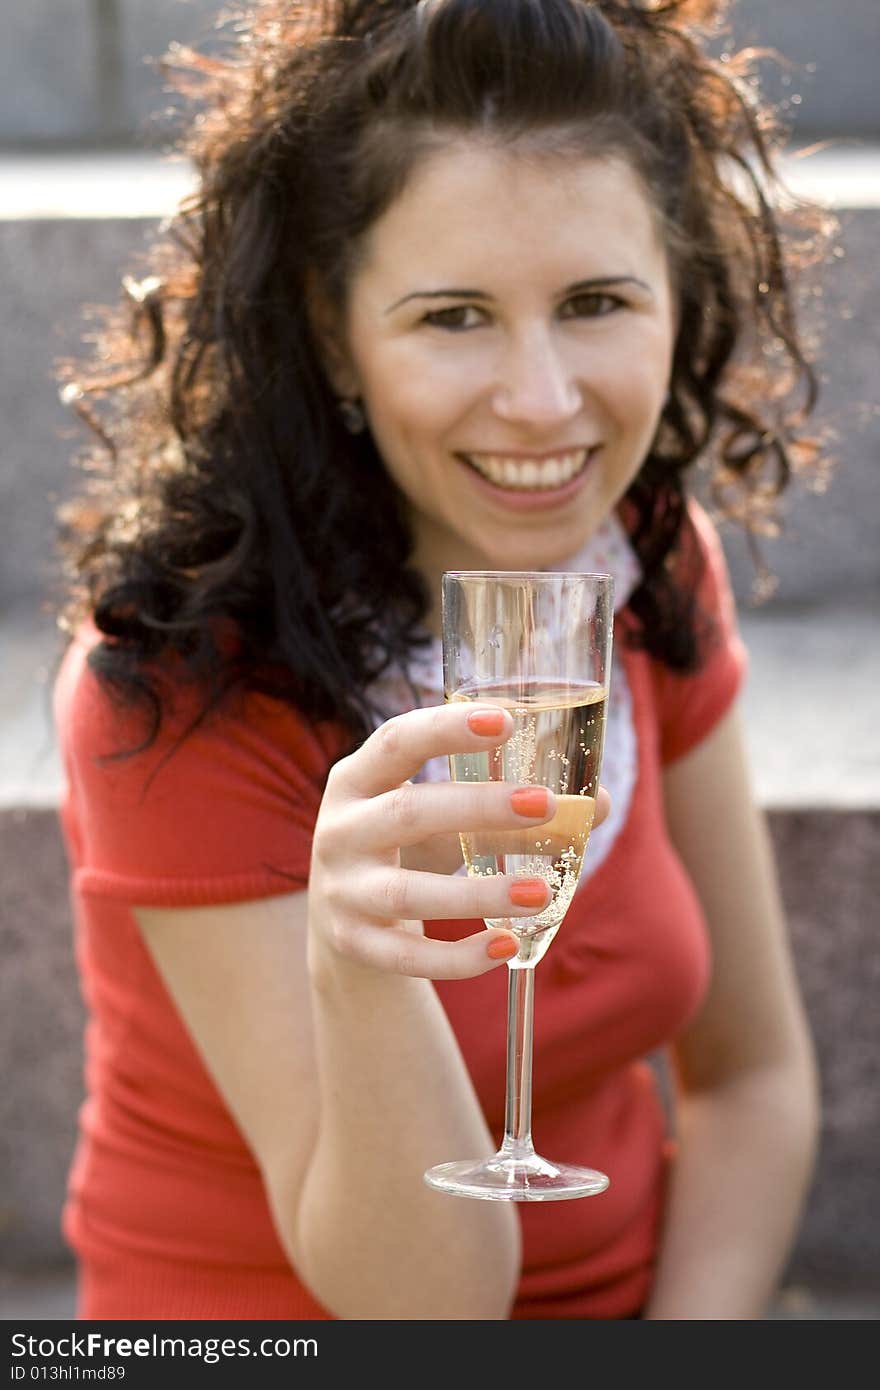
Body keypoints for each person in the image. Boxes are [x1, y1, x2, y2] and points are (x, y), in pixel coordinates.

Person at [53, 0, 826, 1320]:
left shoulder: (646, 568)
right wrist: (363, 974)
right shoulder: (172, 680)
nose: (540, 400)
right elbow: (425, 1307)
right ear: (334, 332)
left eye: (595, 302)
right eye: (454, 315)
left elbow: (753, 1078)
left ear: (678, 294)